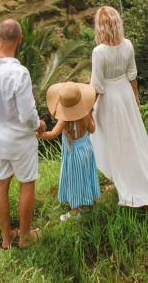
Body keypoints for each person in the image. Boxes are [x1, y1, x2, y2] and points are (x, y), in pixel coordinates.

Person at [0, 18, 46, 249]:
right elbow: (27, 115)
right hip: (20, 141)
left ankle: (7, 238)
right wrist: (39, 125)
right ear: (20, 40)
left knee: (1, 185)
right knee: (27, 184)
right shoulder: (19, 72)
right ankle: (24, 237)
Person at [89, 6, 148, 207]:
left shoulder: (99, 52)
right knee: (131, 138)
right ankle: (125, 178)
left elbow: (97, 86)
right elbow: (132, 74)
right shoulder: (127, 45)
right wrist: (135, 96)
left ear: (100, 27)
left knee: (115, 141)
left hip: (109, 98)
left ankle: (124, 182)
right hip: (125, 94)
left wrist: (88, 109)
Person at [36, 82, 100, 221]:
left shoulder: (64, 120)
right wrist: (89, 113)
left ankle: (74, 212)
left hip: (74, 153)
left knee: (74, 181)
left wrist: (38, 135)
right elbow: (93, 130)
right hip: (87, 149)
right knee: (84, 177)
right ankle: (84, 206)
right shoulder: (86, 114)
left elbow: (52, 134)